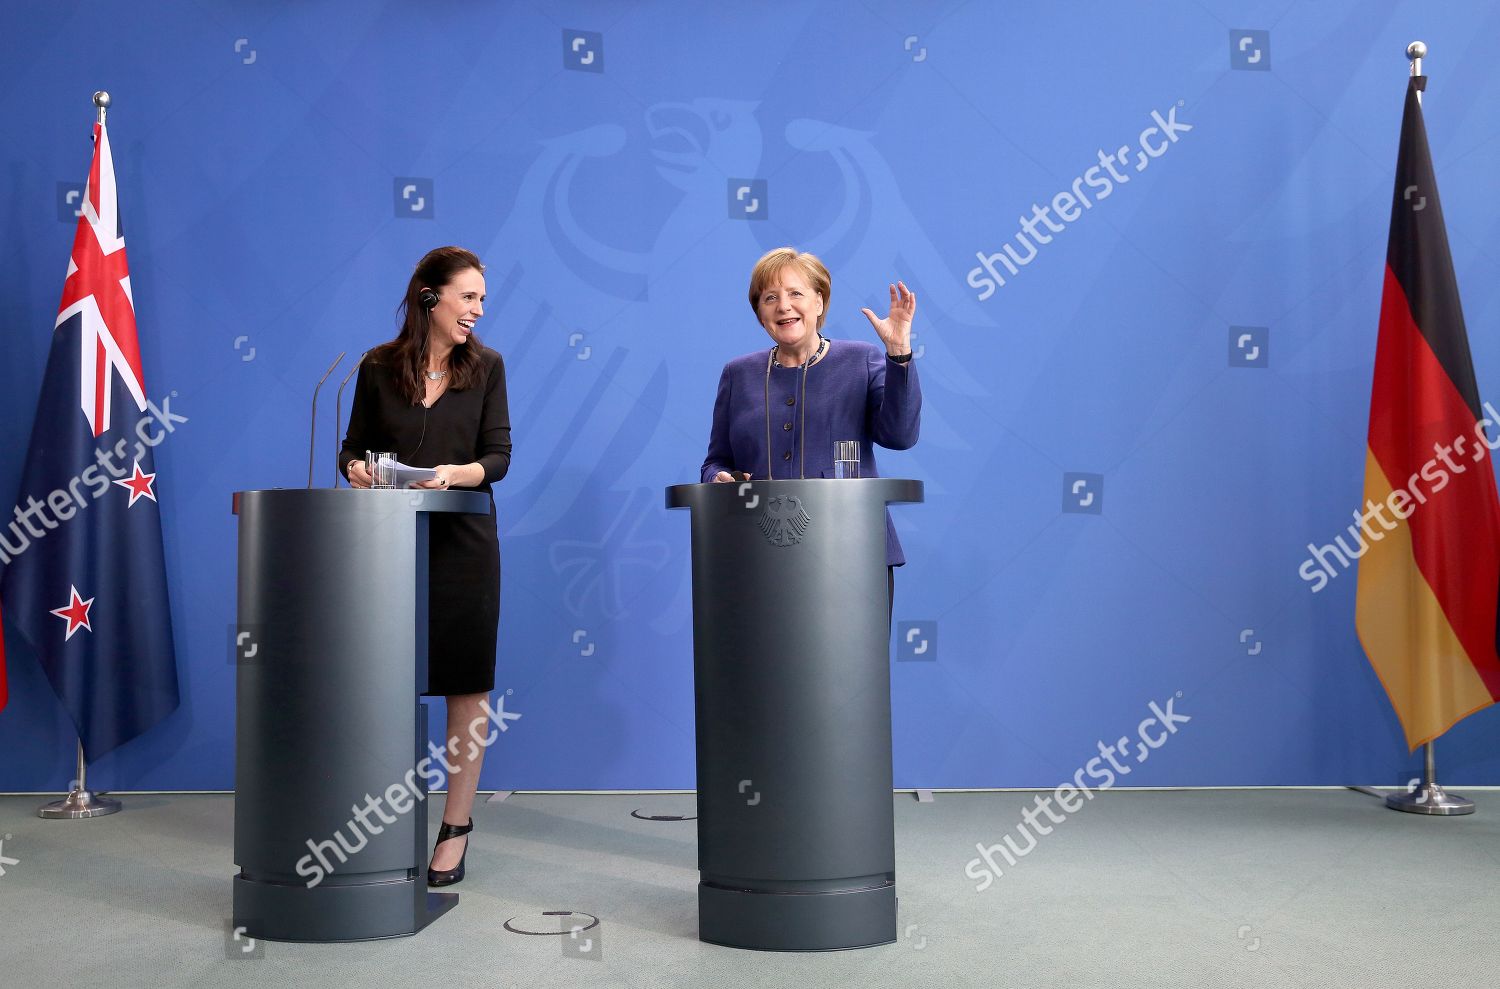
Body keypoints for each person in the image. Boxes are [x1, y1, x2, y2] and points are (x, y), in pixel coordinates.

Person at [339, 246, 511, 887]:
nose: (477, 310)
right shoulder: (377, 366)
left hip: (463, 541)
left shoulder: (487, 366)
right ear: (430, 297)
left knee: (466, 684)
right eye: (468, 297)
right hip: (385, 543)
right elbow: (352, 448)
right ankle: (377, 823)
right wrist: (356, 470)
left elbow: (497, 458)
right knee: (382, 680)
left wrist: (446, 475)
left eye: (481, 300)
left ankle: (455, 828)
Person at [700, 246, 921, 594]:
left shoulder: (860, 360)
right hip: (756, 553)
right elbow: (715, 461)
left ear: (818, 303)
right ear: (760, 313)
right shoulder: (737, 374)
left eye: (795, 293)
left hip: (853, 551)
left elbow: (900, 435)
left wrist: (898, 354)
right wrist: (718, 478)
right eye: (770, 297)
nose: (783, 305)